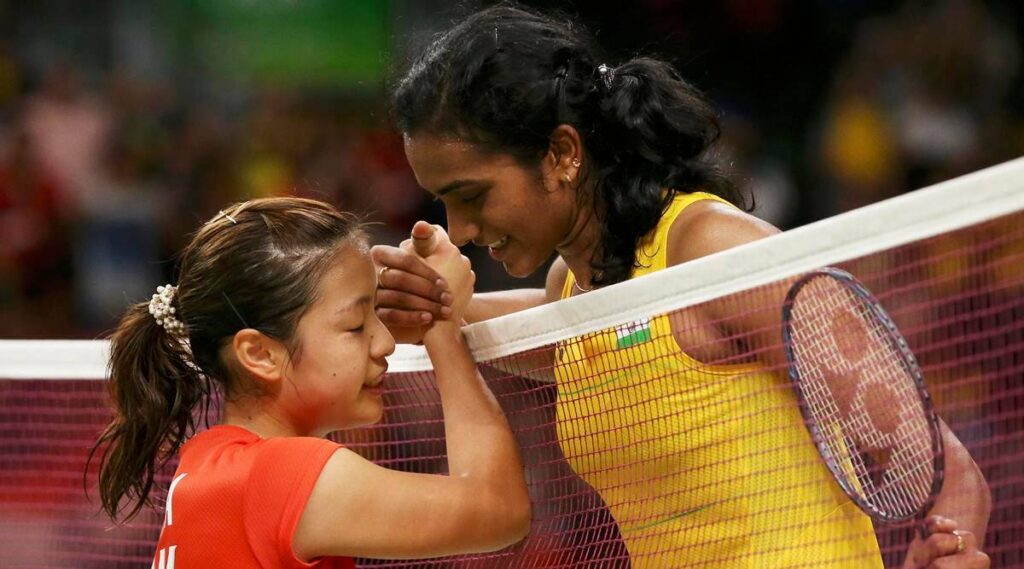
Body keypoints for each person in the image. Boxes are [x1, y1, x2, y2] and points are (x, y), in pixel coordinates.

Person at [373, 5, 991, 568]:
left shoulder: (717, 254)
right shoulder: (576, 289)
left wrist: (951, 552)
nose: (464, 230)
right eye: (444, 204)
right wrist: (434, 306)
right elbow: (581, 331)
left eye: (473, 196)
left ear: (562, 153)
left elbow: (948, 472)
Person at [90, 197, 530, 568]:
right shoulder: (273, 475)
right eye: (357, 325)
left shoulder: (212, 464)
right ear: (260, 354)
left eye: (377, 314)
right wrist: (441, 323)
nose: (386, 342)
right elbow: (497, 510)